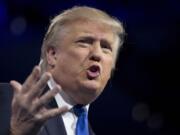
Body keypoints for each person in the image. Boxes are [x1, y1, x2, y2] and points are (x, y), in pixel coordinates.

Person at [1, 6, 125, 135]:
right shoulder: (8, 99)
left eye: (106, 47)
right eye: (84, 42)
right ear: (53, 55)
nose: (97, 54)